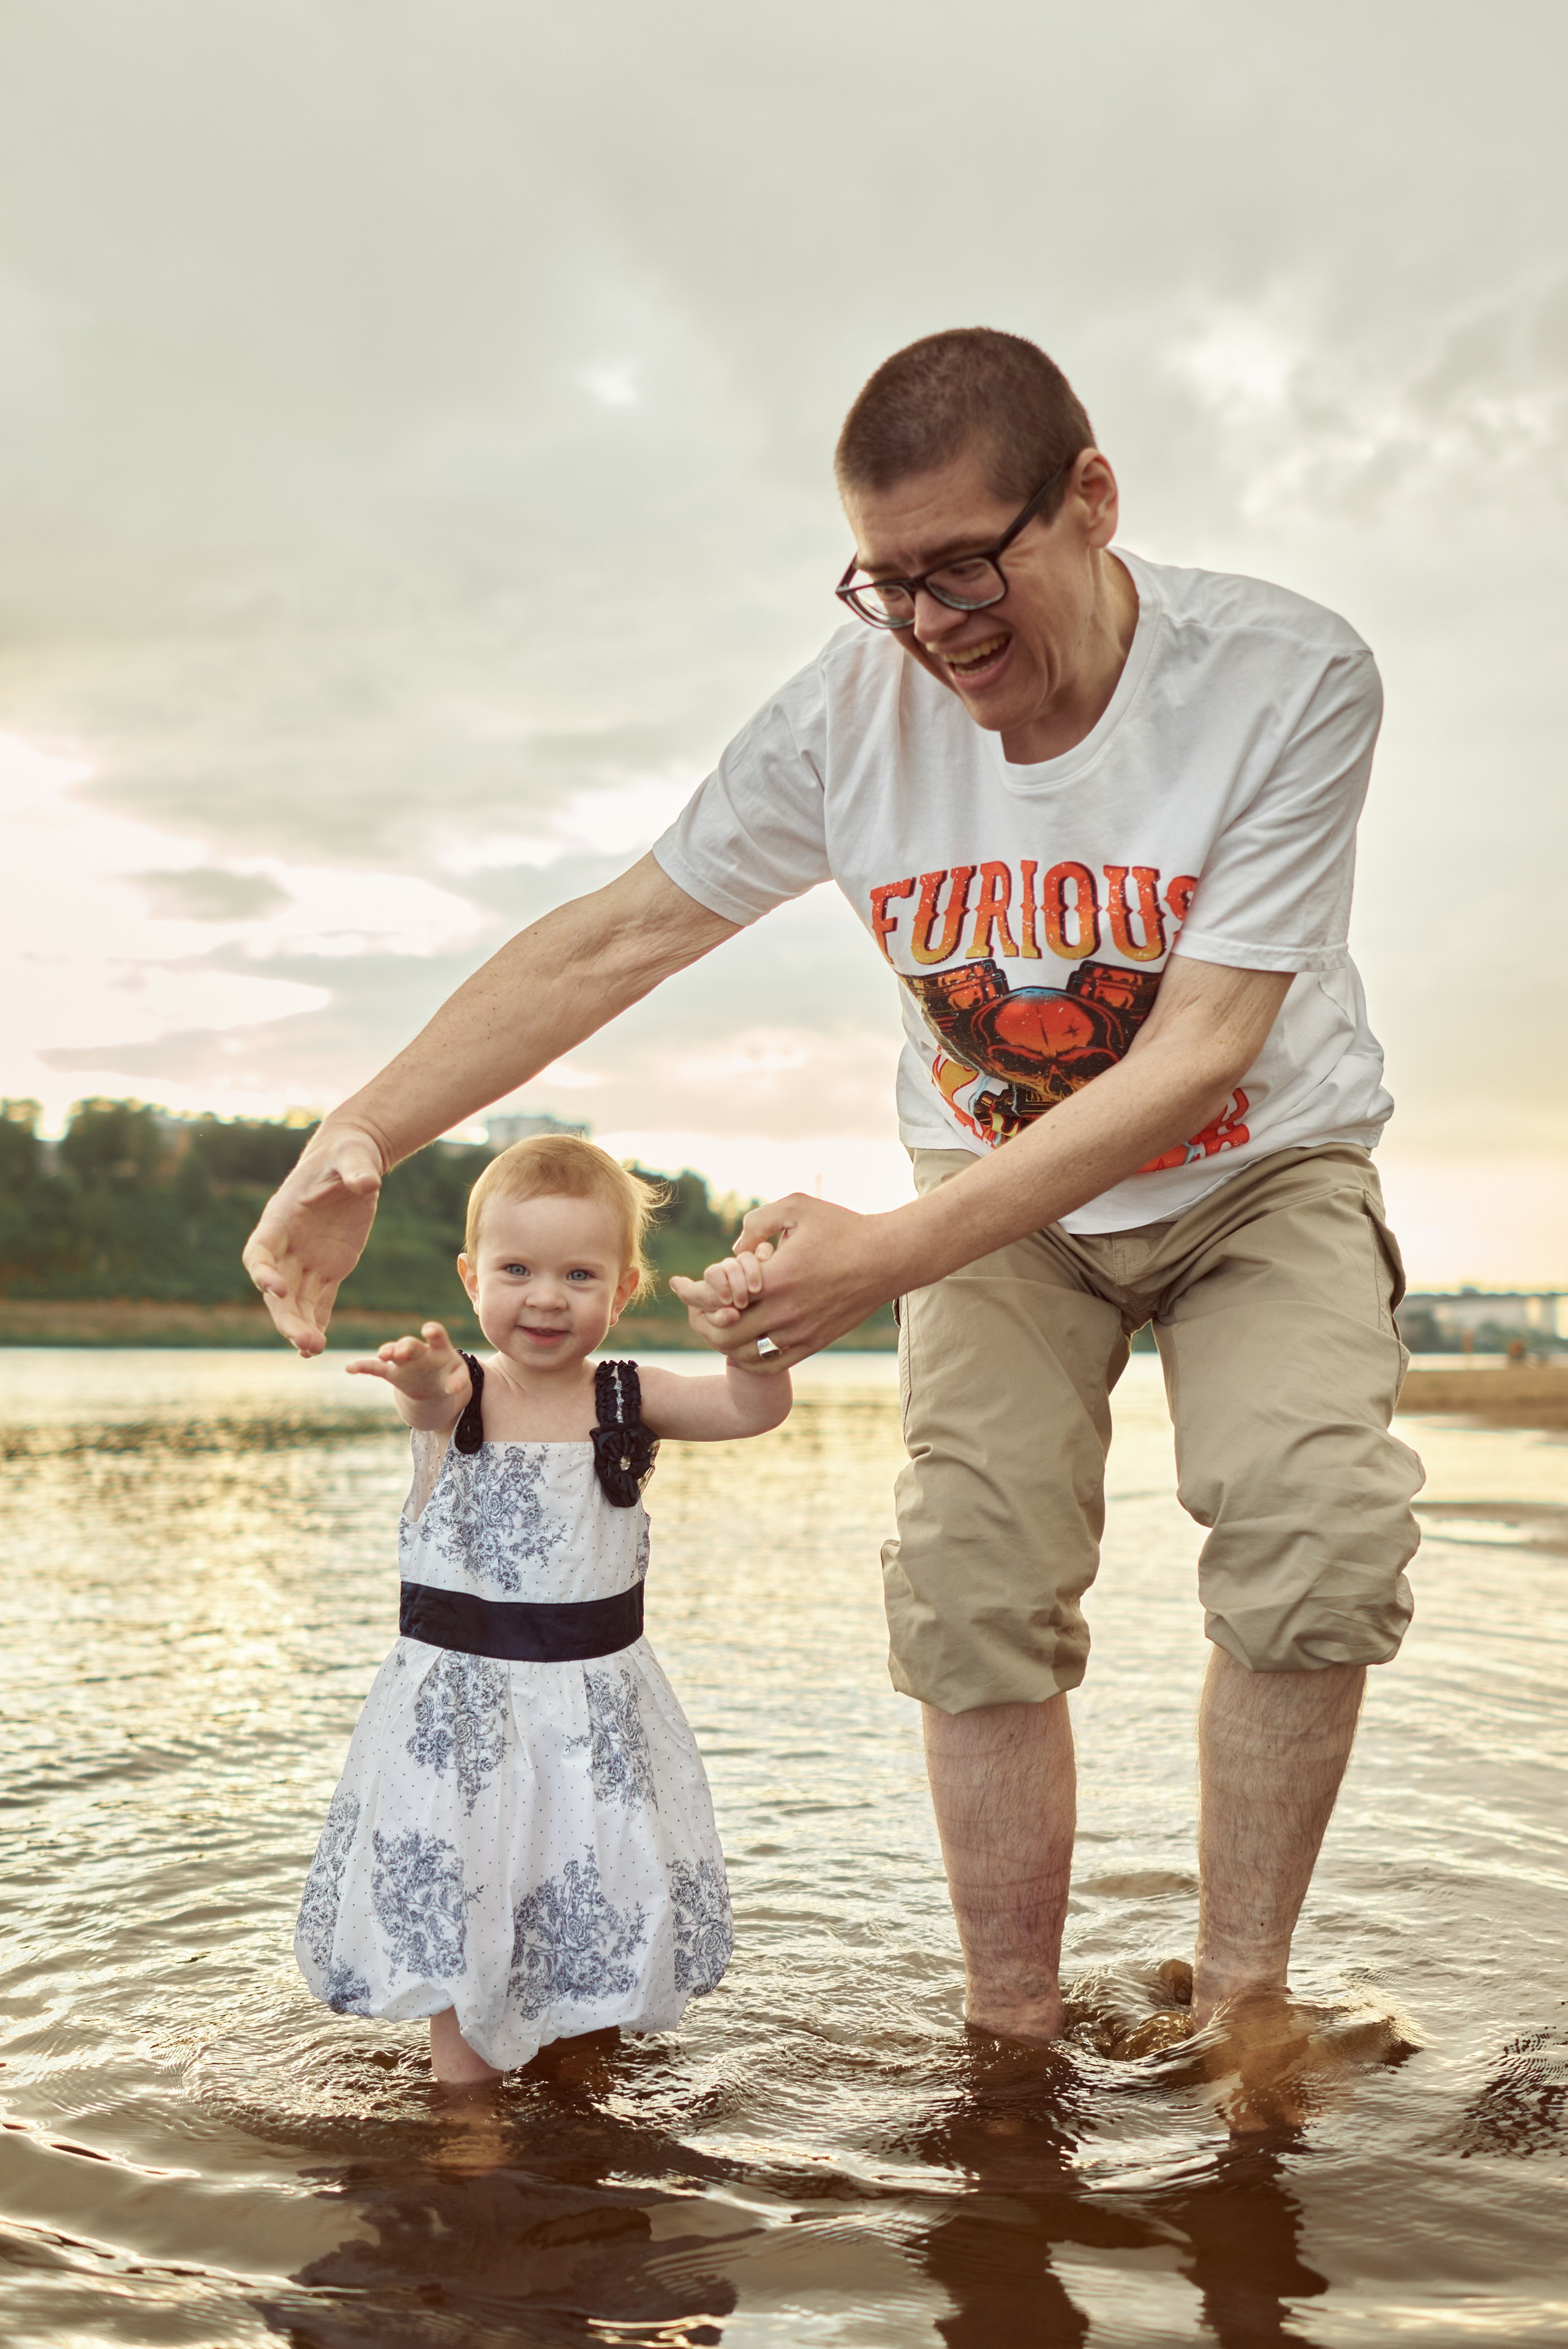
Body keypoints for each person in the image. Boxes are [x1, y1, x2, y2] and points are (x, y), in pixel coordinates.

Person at [252, 327, 1423, 2051]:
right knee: (970, 1581)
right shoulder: (845, 713)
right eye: (891, 586)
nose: (939, 629)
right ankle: (1011, 2038)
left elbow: (1201, 1055)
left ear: (1091, 499)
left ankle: (1246, 2000)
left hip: (1262, 1163)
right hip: (987, 1180)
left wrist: (879, 1259)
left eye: (970, 567)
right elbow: (619, 934)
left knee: (1311, 1531)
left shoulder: (1286, 674)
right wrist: (354, 1136)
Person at [293, 1134, 788, 2083]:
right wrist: (418, 1373)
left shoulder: (628, 1396)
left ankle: (577, 2099)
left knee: (586, 1897)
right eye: (516, 1270)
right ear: (471, 1275)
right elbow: (429, 1399)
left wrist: (748, 1339)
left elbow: (750, 1409)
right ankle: (466, 2120)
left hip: (593, 1716)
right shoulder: (465, 1391)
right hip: (466, 1721)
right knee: (468, 1910)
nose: (547, 1297)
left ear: (623, 1285)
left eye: (578, 1273)